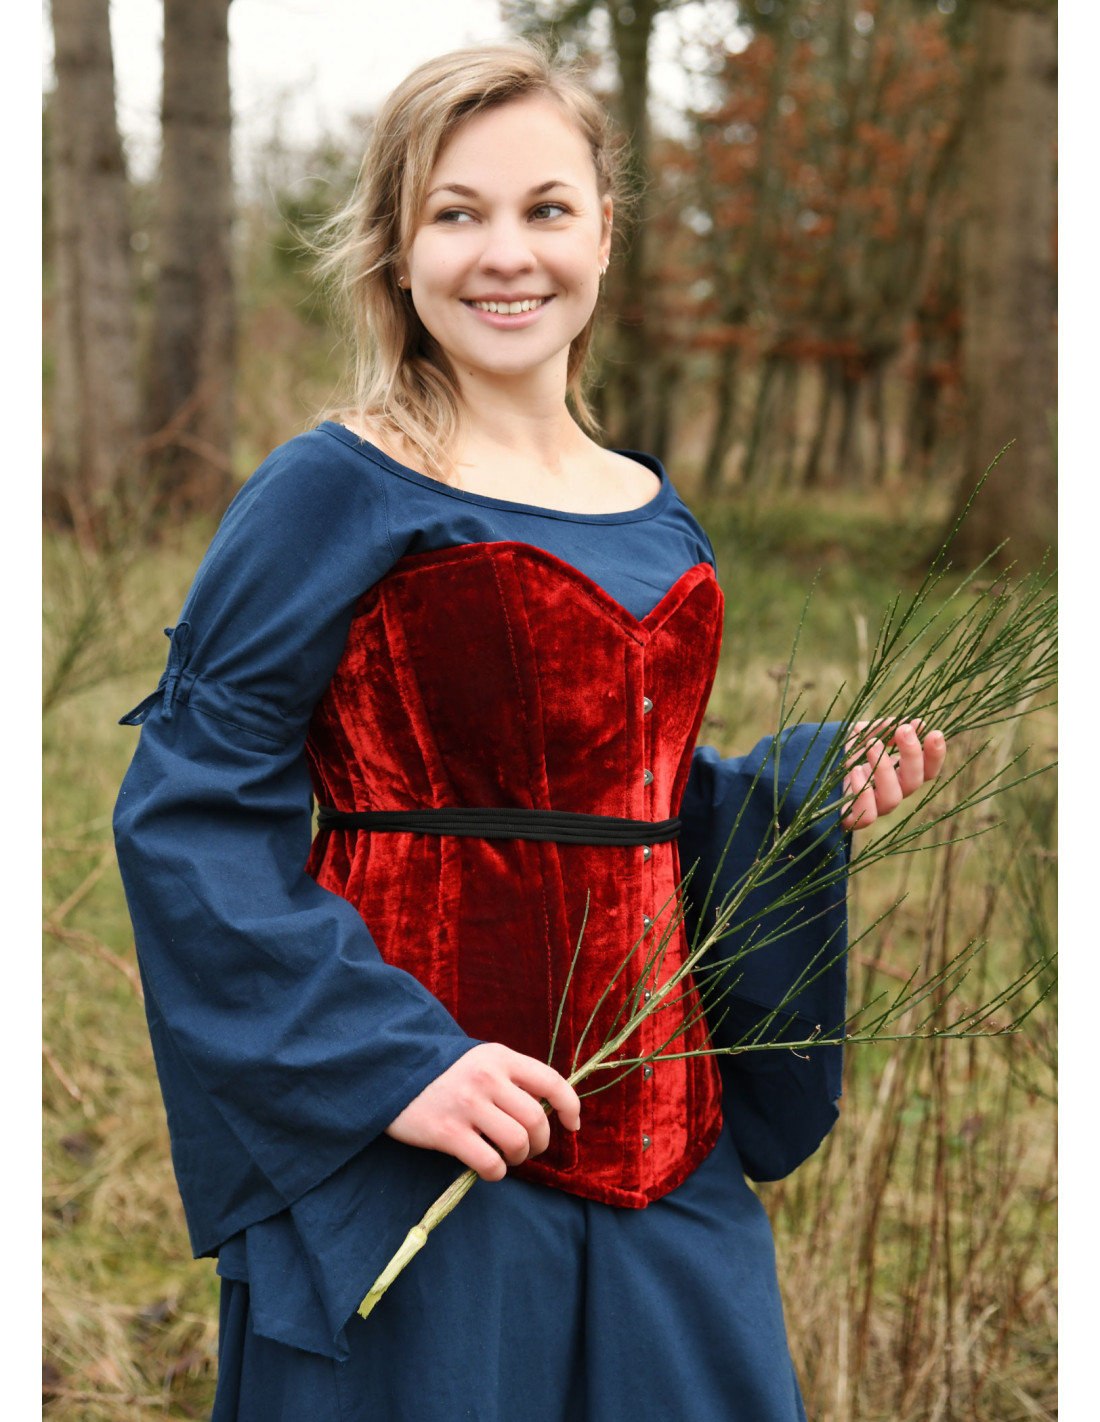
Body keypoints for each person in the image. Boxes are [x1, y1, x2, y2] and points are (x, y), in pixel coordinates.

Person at [113, 42, 946, 1422]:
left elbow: (622, 795)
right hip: (425, 1136)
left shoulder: (655, 508)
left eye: (545, 208)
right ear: (399, 248)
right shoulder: (330, 489)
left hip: (665, 1126)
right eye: (458, 213)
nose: (506, 254)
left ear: (605, 232)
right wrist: (391, 1064)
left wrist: (795, 792)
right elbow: (188, 811)